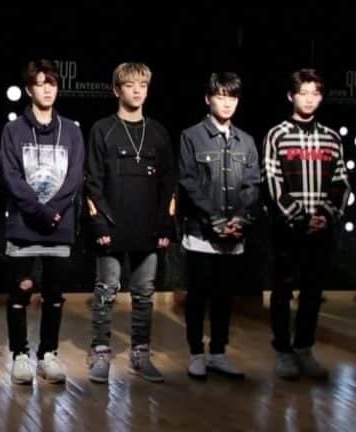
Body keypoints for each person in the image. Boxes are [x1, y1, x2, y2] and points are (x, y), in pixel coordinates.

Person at [85, 62, 175, 383]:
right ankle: (100, 351)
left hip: (148, 228)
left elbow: (169, 184)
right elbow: (92, 182)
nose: (137, 91)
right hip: (112, 227)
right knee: (106, 290)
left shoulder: (159, 132)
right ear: (116, 90)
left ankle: (140, 353)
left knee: (144, 293)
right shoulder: (102, 129)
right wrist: (100, 225)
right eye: (129, 85)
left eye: (143, 85)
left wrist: (165, 225)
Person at [1, 60, 84, 385]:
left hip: (59, 226)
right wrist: (40, 210)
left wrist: (54, 211)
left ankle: (48, 354)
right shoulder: (13, 130)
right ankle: (19, 355)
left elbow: (75, 177)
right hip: (24, 227)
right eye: (40, 83)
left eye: (52, 83)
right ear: (28, 89)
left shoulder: (72, 130)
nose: (47, 89)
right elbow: (11, 177)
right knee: (19, 293)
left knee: (54, 294)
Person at [263, 68, 349, 380]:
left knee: (313, 292)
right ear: (291, 96)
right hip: (288, 229)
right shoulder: (276, 135)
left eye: (315, 93)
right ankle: (283, 351)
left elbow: (341, 181)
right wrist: (300, 216)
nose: (310, 99)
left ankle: (304, 348)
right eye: (303, 93)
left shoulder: (331, 138)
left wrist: (324, 214)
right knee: (283, 291)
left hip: (321, 229)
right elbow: (272, 182)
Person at [179, 72, 261, 380]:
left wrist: (239, 219)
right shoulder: (191, 136)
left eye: (232, 97)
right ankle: (196, 354)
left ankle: (218, 353)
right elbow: (188, 182)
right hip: (201, 233)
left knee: (224, 296)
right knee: (198, 295)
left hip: (234, 233)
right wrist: (215, 219)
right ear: (208, 98)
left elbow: (252, 185)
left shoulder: (247, 141)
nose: (227, 103)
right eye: (221, 96)